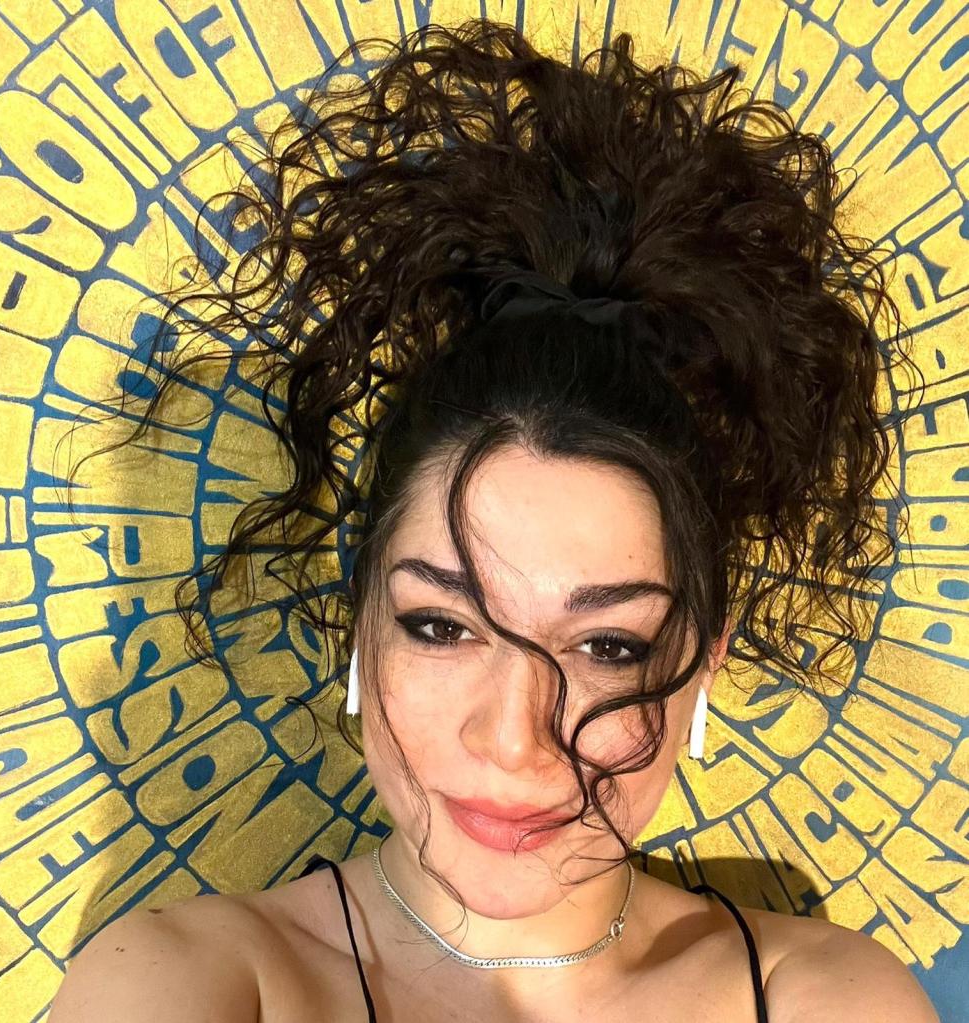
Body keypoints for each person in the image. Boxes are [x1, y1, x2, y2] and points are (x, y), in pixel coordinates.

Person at [48, 17, 940, 1023]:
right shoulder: (188, 984)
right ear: (360, 625)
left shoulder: (821, 997)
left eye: (608, 646)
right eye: (440, 625)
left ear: (704, 663)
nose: (514, 742)